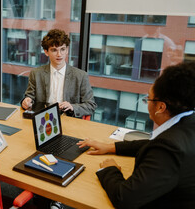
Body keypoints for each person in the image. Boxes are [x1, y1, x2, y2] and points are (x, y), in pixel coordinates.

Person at [77, 61, 195, 208]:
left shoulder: (169, 149)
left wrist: (109, 170)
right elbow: (153, 143)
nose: (147, 103)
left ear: (161, 107)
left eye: (148, 99)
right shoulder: (187, 123)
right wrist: (110, 147)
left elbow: (124, 199)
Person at [21, 29, 97, 118]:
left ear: (67, 50)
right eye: (54, 50)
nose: (59, 54)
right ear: (46, 52)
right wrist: (26, 101)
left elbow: (91, 105)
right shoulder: (36, 73)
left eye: (62, 49)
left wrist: (72, 107)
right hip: (43, 119)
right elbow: (30, 97)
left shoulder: (80, 76)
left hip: (69, 121)